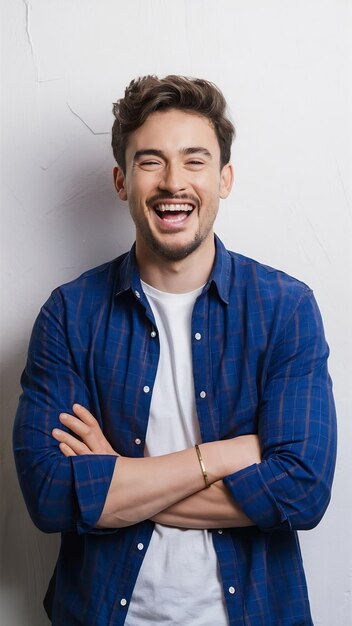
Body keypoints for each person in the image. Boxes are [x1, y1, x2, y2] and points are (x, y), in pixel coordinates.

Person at [13, 75, 337, 626]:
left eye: (194, 161)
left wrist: (117, 479)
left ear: (224, 178)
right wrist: (224, 456)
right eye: (150, 162)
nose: (173, 183)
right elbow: (48, 495)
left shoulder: (286, 309)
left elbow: (302, 493)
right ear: (121, 180)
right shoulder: (69, 316)